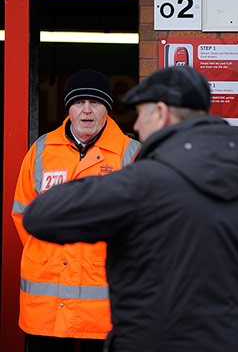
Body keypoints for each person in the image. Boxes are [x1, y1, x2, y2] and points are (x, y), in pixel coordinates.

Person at [23, 65, 238, 352]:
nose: (135, 127)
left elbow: (40, 216)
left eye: (141, 114)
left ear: (160, 112)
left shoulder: (143, 182)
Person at [12, 69, 141, 352]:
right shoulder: (41, 150)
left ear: (107, 109)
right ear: (67, 107)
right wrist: (48, 254)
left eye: (95, 103)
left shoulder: (131, 154)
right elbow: (22, 213)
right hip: (47, 301)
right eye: (78, 102)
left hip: (104, 308)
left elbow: (145, 225)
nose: (86, 111)